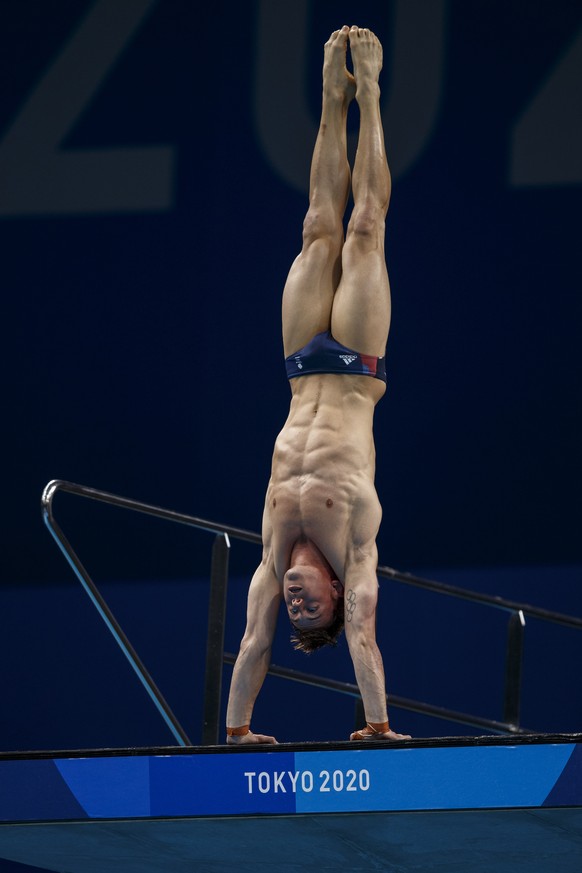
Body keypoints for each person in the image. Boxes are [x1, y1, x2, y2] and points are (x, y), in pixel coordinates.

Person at [226, 25, 410, 744]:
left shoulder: (273, 561)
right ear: (335, 594)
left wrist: (237, 730)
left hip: (302, 365)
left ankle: (331, 105)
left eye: (294, 611)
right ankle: (368, 91)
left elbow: (251, 646)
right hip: (359, 367)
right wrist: (376, 723)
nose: (297, 604)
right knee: (364, 227)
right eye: (313, 610)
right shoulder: (357, 551)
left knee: (314, 230)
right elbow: (364, 637)